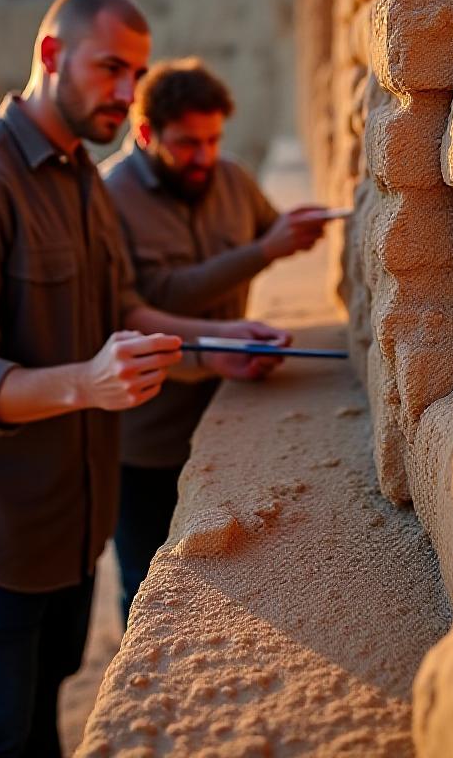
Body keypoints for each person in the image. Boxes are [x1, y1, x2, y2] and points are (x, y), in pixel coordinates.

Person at [0, 0, 289, 758]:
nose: (127, 93)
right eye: (110, 69)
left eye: (135, 74)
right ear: (50, 55)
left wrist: (214, 341)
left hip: (68, 509)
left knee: (44, 709)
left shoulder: (79, 173)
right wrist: (87, 383)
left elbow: (124, 307)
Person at [102, 57, 327, 624]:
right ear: (145, 132)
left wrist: (299, 230)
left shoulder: (230, 177)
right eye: (186, 144)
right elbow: (153, 300)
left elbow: (269, 230)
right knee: (145, 583)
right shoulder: (107, 199)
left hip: (230, 403)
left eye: (213, 140)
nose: (204, 157)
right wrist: (262, 253)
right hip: (145, 440)